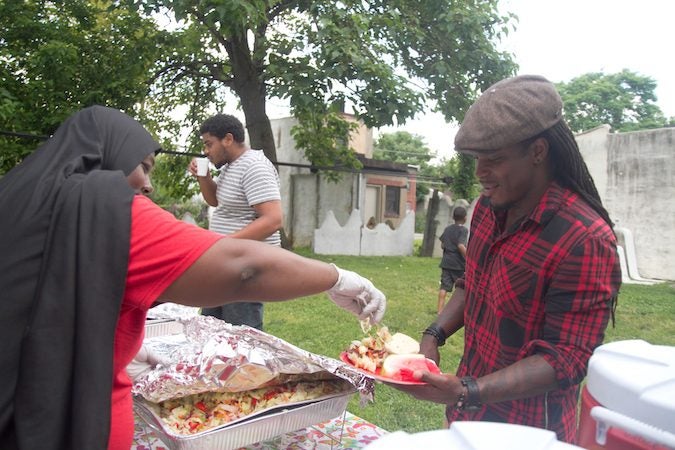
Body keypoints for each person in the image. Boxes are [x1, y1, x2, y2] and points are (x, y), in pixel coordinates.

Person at [0, 106, 386, 450]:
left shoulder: (19, 196)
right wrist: (336, 277)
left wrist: (121, 348)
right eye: (145, 167)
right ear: (111, 157)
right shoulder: (103, 207)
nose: (148, 184)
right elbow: (244, 270)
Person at [387, 75, 621, 443]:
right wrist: (433, 335)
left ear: (538, 152)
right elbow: (472, 284)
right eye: (477, 158)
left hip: (530, 432)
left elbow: (565, 359)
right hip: (468, 417)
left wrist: (467, 390)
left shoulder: (584, 239)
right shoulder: (486, 210)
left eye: (493, 159)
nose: (480, 173)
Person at [188, 113, 281, 330]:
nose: (206, 151)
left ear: (228, 139)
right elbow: (215, 200)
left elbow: (273, 219)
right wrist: (204, 177)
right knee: (212, 329)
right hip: (226, 263)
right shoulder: (232, 165)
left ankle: (245, 366)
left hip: (244, 267)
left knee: (240, 336)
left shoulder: (254, 166)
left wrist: (223, 245)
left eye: (209, 144)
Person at [437, 206, 468, 313]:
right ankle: (456, 311)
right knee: (460, 288)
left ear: (453, 217)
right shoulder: (463, 230)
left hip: (446, 262)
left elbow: (442, 245)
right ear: (465, 218)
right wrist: (469, 258)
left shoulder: (448, 229)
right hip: (458, 264)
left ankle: (440, 311)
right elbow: (460, 245)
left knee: (444, 287)